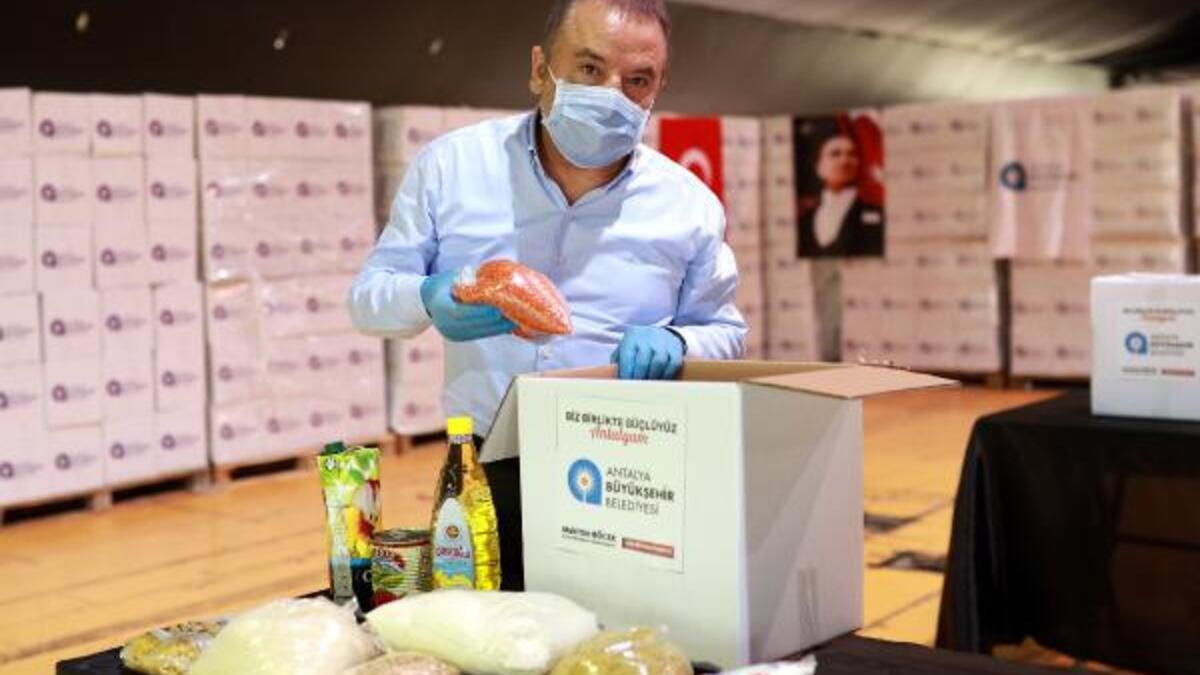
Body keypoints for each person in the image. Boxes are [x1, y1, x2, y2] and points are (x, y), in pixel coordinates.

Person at [347, 0, 746, 589]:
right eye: (589, 68)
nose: (612, 94)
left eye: (637, 81)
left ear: (658, 88)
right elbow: (368, 298)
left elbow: (726, 330)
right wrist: (429, 296)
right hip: (487, 461)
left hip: (630, 467)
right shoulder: (454, 167)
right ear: (540, 69)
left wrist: (679, 342)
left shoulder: (687, 205)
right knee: (487, 617)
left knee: (621, 622)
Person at [796, 133, 883, 257]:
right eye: (835, 154)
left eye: (852, 154)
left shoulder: (877, 213)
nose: (844, 161)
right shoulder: (804, 220)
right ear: (818, 167)